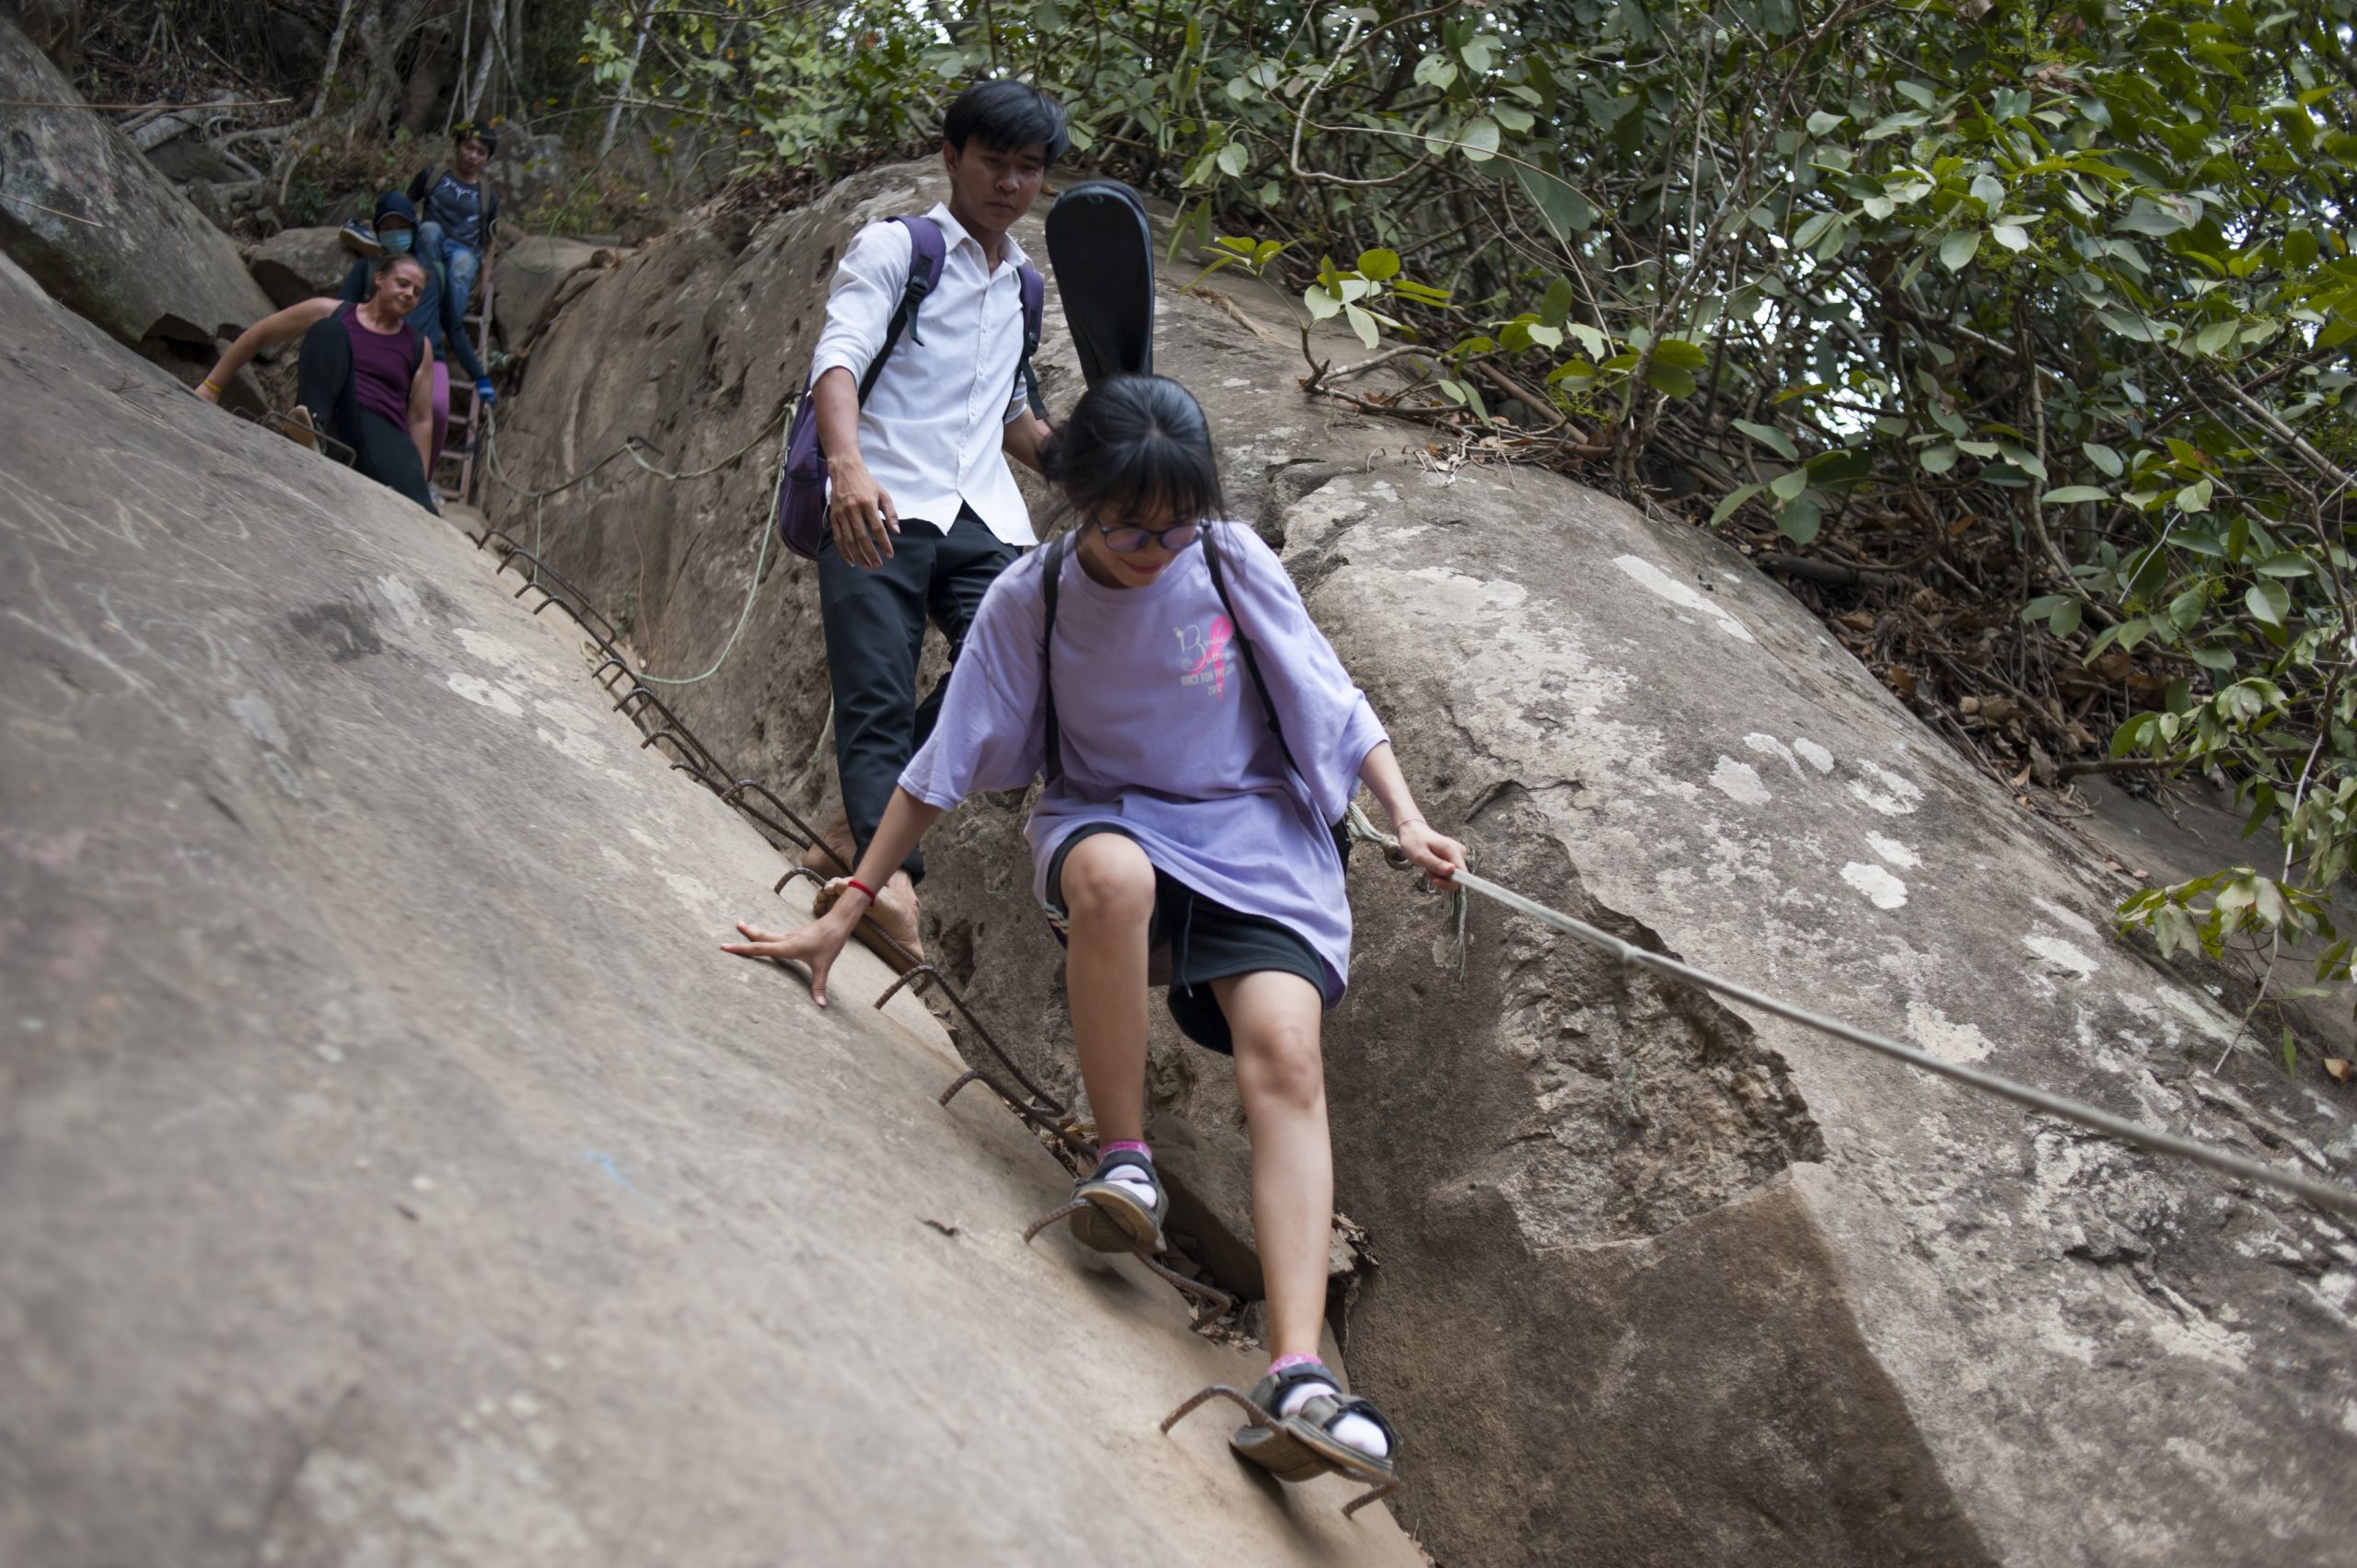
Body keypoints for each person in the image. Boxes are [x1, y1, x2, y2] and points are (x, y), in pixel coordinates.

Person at [723, 374, 1467, 1489]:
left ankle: (1301, 1374)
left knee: (1287, 1053)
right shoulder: (1037, 595)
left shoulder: (1226, 559)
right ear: (1076, 501)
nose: (1152, 550)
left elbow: (1331, 698)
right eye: (1126, 527)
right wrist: (855, 899)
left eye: (1173, 528)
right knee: (1110, 879)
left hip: (1259, 837)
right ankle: (1127, 1163)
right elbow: (944, 760)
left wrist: (1407, 817)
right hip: (1112, 815)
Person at [797, 78, 1067, 961]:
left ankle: (855, 835)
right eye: (995, 160)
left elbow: (1013, 417)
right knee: (875, 694)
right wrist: (846, 469)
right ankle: (890, 887)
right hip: (879, 497)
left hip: (982, 513)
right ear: (951, 157)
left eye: (1029, 168)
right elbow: (837, 360)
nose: (1010, 183)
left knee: (1026, 663)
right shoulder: (897, 248)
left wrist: (1096, 463)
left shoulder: (1023, 285)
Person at [195, 253, 440, 514]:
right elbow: (259, 334)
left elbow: (421, 419)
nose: (409, 294)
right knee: (328, 331)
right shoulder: (333, 311)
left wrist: (421, 481)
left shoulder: (418, 346)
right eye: (402, 283)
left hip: (381, 434)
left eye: (417, 291)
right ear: (379, 279)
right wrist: (212, 387)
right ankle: (310, 431)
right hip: (333, 417)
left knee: (421, 506)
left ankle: (418, 499)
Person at [336, 190, 495, 470]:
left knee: (437, 410)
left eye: (401, 227)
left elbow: (454, 329)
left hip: (429, 358)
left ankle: (423, 477)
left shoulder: (434, 273)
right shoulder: (368, 268)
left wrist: (480, 378)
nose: (395, 233)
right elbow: (339, 312)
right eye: (386, 228)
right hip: (378, 352)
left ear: (414, 228)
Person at [407, 119, 500, 317]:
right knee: (429, 229)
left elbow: (489, 242)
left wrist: (484, 280)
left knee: (462, 264)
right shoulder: (432, 176)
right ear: (457, 145)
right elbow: (404, 206)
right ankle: (420, 312)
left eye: (481, 152)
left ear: (487, 158)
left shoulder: (487, 196)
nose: (473, 156)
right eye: (469, 147)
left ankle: (449, 328)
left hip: (464, 251)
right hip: (430, 247)